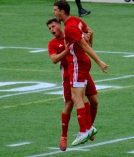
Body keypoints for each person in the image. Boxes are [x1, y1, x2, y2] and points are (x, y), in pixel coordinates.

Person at [53, 0, 108, 146]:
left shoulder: (70, 27)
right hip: (83, 63)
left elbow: (84, 45)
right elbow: (90, 32)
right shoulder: (76, 20)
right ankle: (88, 128)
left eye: (55, 10)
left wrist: (99, 61)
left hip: (77, 64)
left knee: (76, 97)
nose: (54, 13)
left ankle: (85, 130)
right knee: (86, 98)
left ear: (62, 11)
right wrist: (89, 43)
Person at [46, 18, 99, 151]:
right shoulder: (52, 43)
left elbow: (87, 47)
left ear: (60, 25)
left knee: (94, 101)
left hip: (82, 69)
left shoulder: (72, 33)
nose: (52, 30)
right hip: (68, 74)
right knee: (70, 103)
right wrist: (67, 50)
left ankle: (88, 128)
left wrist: (90, 37)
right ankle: (64, 136)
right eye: (49, 29)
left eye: (53, 26)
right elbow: (53, 59)